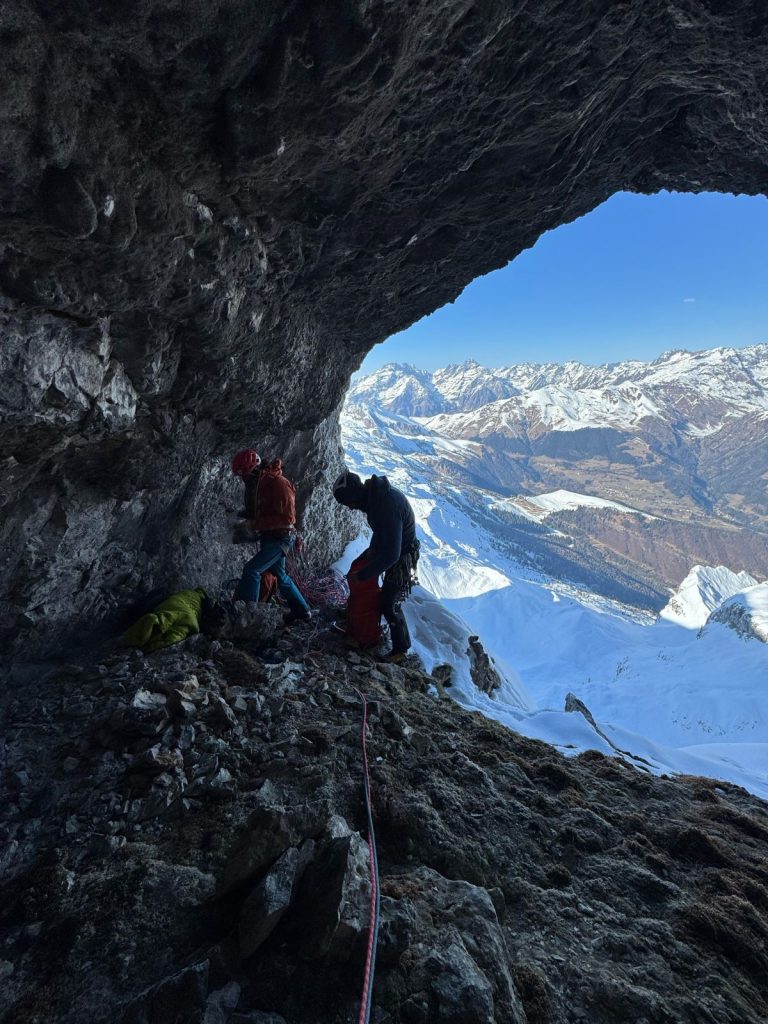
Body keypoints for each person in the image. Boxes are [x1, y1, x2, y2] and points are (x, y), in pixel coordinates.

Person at [332, 470, 419, 662]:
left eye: (350, 504)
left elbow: (392, 554)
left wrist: (364, 575)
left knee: (389, 601)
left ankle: (401, 649)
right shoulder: (374, 500)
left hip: (402, 556)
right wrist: (372, 549)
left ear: (355, 496)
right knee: (358, 570)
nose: (352, 508)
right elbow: (381, 530)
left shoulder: (387, 505)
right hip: (389, 547)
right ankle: (360, 620)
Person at [231, 449, 312, 624]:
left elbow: (287, 519)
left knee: (252, 569)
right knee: (281, 577)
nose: (243, 479)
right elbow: (262, 510)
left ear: (255, 469)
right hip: (270, 537)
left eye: (245, 475)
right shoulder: (260, 484)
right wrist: (243, 516)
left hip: (281, 538)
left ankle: (249, 616)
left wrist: (254, 525)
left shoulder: (279, 484)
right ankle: (303, 611)